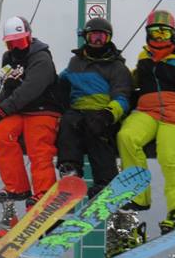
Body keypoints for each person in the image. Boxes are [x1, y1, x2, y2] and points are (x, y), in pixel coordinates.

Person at [117, 10, 175, 234]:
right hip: (147, 111)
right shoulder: (144, 59)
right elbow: (133, 82)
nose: (160, 38)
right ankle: (139, 195)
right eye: (155, 32)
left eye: (165, 33)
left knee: (170, 156)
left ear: (173, 34)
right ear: (147, 34)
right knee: (127, 136)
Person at [0, 16, 61, 209]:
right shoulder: (8, 58)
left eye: (21, 42)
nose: (17, 48)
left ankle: (44, 192)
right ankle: (17, 186)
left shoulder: (41, 58)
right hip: (19, 110)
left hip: (43, 109)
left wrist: (3, 108)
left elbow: (30, 89)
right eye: (12, 44)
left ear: (29, 37)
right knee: (2, 133)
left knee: (38, 145)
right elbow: (8, 87)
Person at [56, 17, 131, 196]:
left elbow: (123, 96)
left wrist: (108, 114)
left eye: (102, 38)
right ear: (86, 38)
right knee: (68, 124)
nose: (97, 42)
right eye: (93, 37)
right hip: (77, 110)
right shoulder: (76, 63)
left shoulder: (117, 67)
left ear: (109, 39)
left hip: (102, 112)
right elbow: (62, 81)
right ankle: (70, 168)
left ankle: (105, 181)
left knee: (97, 132)